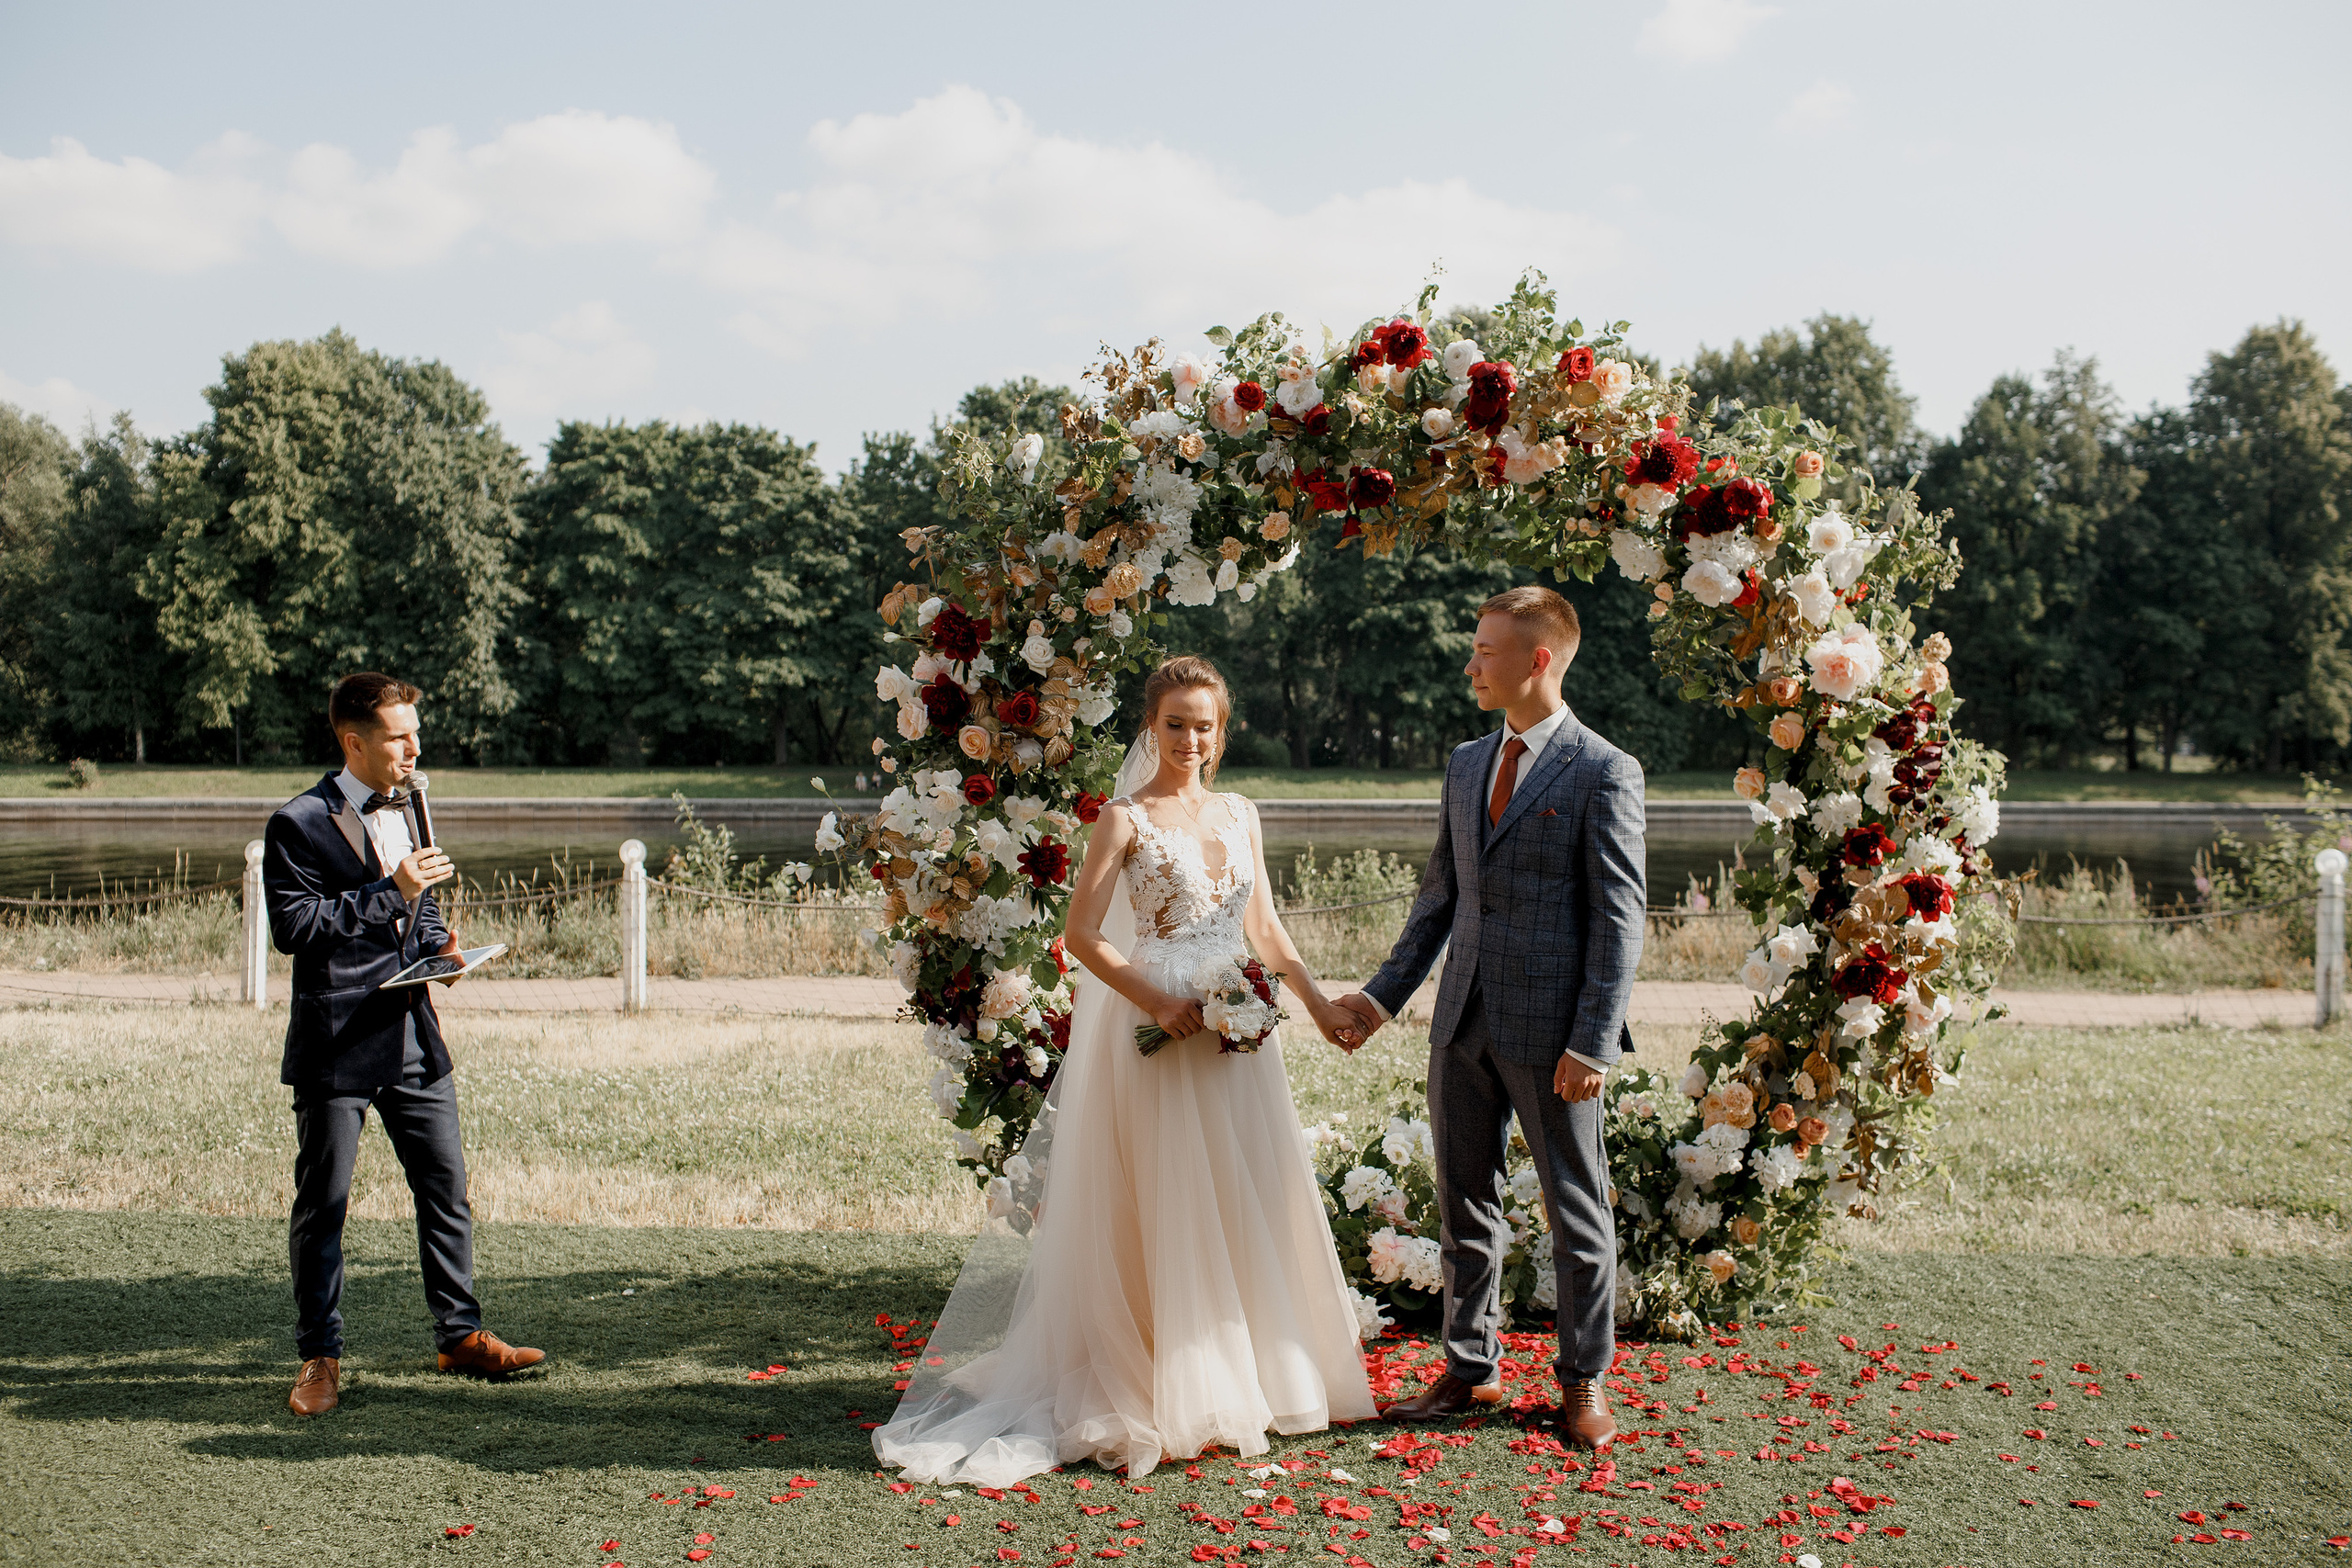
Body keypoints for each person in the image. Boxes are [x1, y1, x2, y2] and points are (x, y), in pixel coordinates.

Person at [874, 655, 1375, 1484]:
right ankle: (1155, 1377)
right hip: (1160, 1026)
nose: (1189, 738)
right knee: (1164, 1195)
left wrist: (1319, 1006)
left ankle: (1242, 1371)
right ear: (1153, 727)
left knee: (1241, 1188)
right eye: (1174, 723)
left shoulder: (1242, 813)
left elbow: (1269, 931)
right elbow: (1086, 935)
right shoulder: (1125, 819)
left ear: (1223, 732)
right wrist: (1156, 1000)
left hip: (1239, 1032)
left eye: (1203, 724)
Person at [1334, 586, 1644, 1451]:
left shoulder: (1604, 770)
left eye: (1486, 651)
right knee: (1464, 1205)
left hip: (1556, 1040)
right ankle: (1471, 1370)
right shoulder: (1468, 762)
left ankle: (1583, 1381)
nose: (1471, 664)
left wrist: (1593, 1041)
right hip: (1460, 1019)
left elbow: (1621, 920)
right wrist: (1380, 997)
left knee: (1575, 1206)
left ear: (1538, 660)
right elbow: (1440, 897)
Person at [264, 671, 544, 1417]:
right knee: (324, 1204)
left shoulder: (416, 799)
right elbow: (295, 929)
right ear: (354, 742)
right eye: (399, 735)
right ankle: (319, 1357)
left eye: (415, 732)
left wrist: (439, 951)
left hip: (415, 1034)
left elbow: (418, 915)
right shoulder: (296, 822)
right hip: (338, 1045)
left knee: (446, 1189)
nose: (415, 747)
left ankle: (460, 1335)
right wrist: (393, 891)